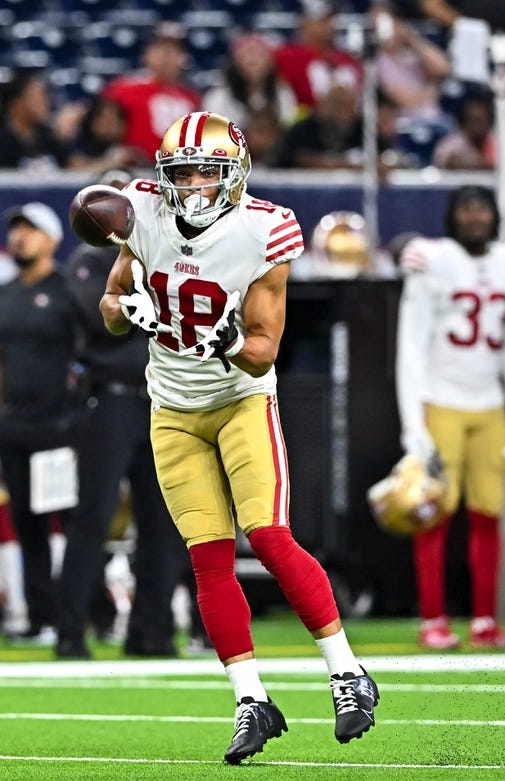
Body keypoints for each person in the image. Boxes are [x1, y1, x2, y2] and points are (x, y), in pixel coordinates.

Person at [101, 111, 378, 765]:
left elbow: (262, 349)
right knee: (209, 558)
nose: (194, 184)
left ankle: (346, 672)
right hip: (172, 409)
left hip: (238, 401)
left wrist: (221, 338)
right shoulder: (142, 211)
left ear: (235, 174)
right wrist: (127, 311)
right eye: (181, 171)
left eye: (207, 170)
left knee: (271, 537)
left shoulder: (264, 229)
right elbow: (111, 305)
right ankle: (251, 698)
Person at [395, 186, 505, 651]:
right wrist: (413, 423)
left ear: (495, 215)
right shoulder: (430, 257)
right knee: (433, 514)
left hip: (491, 403)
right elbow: (410, 347)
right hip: (442, 400)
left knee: (488, 514)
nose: (475, 216)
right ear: (452, 215)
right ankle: (433, 619)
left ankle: (485, 622)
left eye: (482, 208)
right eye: (466, 207)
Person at [57, 170, 187, 660]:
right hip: (108, 400)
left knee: (162, 520)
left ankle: (152, 631)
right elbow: (102, 317)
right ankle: (72, 630)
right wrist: (150, 301)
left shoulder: (165, 255)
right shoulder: (89, 262)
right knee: (93, 516)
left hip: (159, 397)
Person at [0, 202, 77, 645]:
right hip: (14, 426)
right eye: (16, 229)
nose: (20, 237)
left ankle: (79, 611)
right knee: (26, 523)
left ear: (52, 240)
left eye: (31, 230)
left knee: (67, 521)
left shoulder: (66, 290)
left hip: (56, 426)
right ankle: (41, 616)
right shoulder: (6, 293)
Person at [101, 22, 200, 163]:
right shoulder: (123, 89)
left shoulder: (191, 97)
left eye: (173, 50)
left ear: (183, 57)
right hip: (137, 169)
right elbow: (99, 126)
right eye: (159, 49)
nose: (166, 56)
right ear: (146, 54)